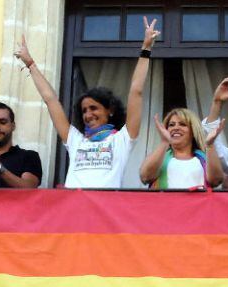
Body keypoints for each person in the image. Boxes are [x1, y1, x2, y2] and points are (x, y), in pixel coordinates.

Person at [14, 18, 159, 188]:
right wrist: (30, 64)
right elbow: (50, 99)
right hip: (74, 210)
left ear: (110, 110)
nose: (88, 115)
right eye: (84, 111)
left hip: (104, 211)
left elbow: (136, 91)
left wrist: (146, 49)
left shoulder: (122, 140)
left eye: (93, 108)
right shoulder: (76, 140)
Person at [139, 108, 224, 189]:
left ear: (193, 130)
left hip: (198, 204)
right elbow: (145, 177)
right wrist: (164, 142)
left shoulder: (204, 158)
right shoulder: (160, 159)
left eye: (182, 124)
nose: (176, 128)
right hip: (165, 204)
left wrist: (210, 145)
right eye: (171, 125)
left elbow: (216, 181)